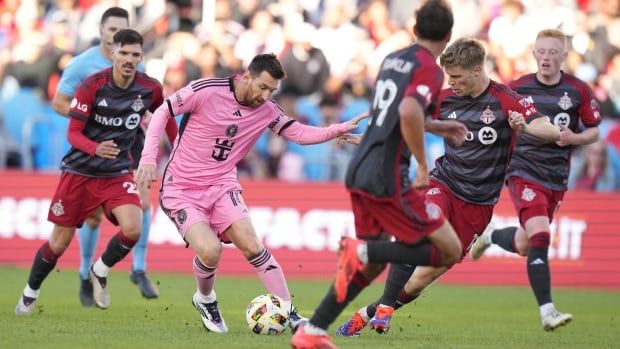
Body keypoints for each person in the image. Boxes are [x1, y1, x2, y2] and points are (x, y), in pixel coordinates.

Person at [331, 36, 562, 340]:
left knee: (415, 284)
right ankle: (385, 308)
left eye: (456, 76)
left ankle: (369, 313)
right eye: (447, 76)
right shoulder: (443, 99)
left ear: (478, 70)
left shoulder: (506, 99)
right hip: (443, 183)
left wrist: (526, 126)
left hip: (478, 205)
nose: (450, 82)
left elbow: (551, 129)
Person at [136, 53, 366, 334]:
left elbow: (299, 133)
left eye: (272, 91)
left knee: (252, 244)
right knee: (210, 251)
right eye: (263, 87)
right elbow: (162, 112)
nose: (266, 96)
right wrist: (148, 158)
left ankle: (287, 310)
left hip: (222, 184)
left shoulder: (268, 109)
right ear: (247, 77)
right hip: (182, 188)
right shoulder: (206, 90)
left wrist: (337, 130)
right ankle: (205, 298)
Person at [291, 2, 466, 347]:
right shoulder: (429, 68)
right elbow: (408, 110)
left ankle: (312, 330)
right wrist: (420, 162)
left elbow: (398, 113)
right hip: (387, 175)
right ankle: (362, 251)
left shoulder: (392, 59)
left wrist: (440, 127)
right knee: (448, 249)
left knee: (371, 266)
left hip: (362, 168)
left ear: (414, 30)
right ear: (447, 36)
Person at [15, 29, 175, 314]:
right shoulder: (92, 85)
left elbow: (165, 116)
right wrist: (95, 148)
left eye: (135, 55)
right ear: (112, 53)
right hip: (80, 171)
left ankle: (99, 270)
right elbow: (74, 132)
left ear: (141, 57)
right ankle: (29, 293)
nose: (128, 59)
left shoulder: (149, 88)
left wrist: (178, 148)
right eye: (123, 53)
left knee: (133, 227)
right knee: (58, 243)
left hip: (116, 171)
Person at [469, 28, 601, 330]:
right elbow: (493, 120)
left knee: (527, 243)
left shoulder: (578, 90)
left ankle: (491, 236)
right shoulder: (518, 87)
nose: (546, 57)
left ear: (563, 57)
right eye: (542, 51)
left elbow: (594, 130)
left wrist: (574, 138)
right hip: (523, 171)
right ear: (534, 54)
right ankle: (547, 310)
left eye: (553, 52)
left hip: (557, 177)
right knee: (541, 235)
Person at [51, 7, 161, 304]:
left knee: (145, 201)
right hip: (94, 147)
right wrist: (92, 124)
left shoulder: (134, 62)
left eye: (121, 30)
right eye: (111, 30)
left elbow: (146, 101)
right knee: (93, 219)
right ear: (101, 31)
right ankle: (86, 273)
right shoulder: (81, 65)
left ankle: (139, 268)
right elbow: (60, 103)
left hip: (129, 142)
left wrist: (147, 120)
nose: (116, 36)